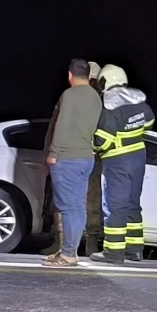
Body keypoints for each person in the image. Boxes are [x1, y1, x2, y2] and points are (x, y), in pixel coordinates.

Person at [42, 58, 103, 266]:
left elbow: (62, 124)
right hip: (86, 157)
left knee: (67, 208)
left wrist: (53, 152)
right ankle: (69, 251)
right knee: (77, 207)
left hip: (67, 157)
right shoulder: (96, 97)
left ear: (70, 75)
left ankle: (68, 253)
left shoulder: (69, 95)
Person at [92, 64, 155, 263]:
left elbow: (103, 140)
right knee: (132, 205)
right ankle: (134, 250)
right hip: (138, 159)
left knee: (114, 206)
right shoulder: (139, 100)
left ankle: (113, 252)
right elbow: (149, 123)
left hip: (117, 161)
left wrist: (92, 146)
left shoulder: (110, 105)